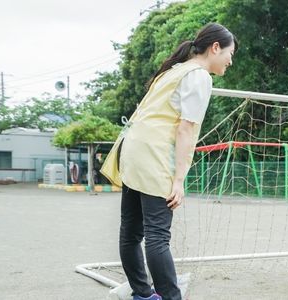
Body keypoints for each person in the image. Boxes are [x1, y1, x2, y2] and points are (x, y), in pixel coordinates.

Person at [100, 23, 236, 300]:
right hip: (153, 155)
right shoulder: (198, 76)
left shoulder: (174, 71)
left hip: (133, 150)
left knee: (131, 232)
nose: (230, 61)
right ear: (215, 48)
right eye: (229, 54)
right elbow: (185, 129)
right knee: (157, 236)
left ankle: (143, 294)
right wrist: (178, 180)